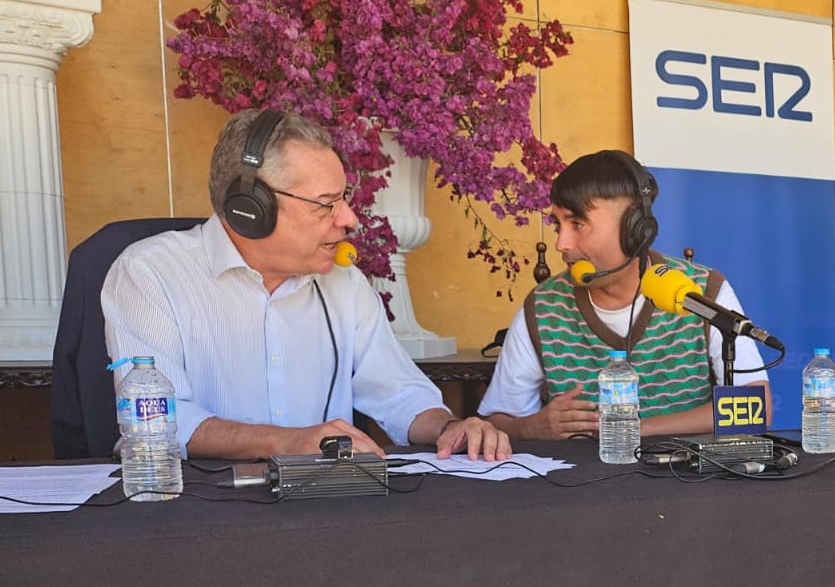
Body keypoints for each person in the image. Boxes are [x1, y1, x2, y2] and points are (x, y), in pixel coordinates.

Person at [103, 108, 509, 462]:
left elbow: (399, 393)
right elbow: (157, 418)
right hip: (197, 513)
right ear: (250, 209)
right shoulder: (148, 273)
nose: (348, 218)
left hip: (324, 510)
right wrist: (289, 442)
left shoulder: (344, 284)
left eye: (344, 199)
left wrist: (449, 428)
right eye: (326, 204)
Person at [478, 150, 767, 439]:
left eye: (577, 224)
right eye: (558, 225)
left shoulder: (702, 291)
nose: (561, 244)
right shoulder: (543, 306)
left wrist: (636, 430)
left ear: (635, 231)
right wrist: (533, 427)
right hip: (580, 482)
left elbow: (757, 405)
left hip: (688, 479)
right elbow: (498, 419)